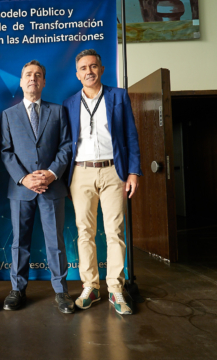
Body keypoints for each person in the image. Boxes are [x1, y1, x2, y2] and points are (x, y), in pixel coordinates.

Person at [62, 49, 141, 315]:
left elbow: (131, 135)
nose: (89, 72)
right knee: (84, 232)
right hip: (81, 173)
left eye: (93, 66)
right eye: (83, 68)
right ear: (77, 74)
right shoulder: (70, 103)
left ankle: (116, 289)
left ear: (102, 69)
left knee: (114, 231)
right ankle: (90, 287)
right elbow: (66, 144)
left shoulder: (118, 96)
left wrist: (133, 172)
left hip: (113, 172)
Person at [0, 60, 74, 314]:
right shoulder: (8, 115)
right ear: (21, 82)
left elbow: (66, 146)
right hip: (21, 189)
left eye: (38, 75)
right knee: (19, 243)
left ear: (43, 82)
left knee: (55, 242)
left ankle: (61, 292)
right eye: (28, 75)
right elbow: (6, 152)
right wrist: (24, 178)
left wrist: (52, 174)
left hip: (52, 187)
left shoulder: (58, 111)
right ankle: (17, 290)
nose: (33, 78)